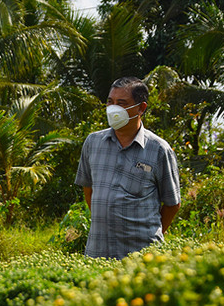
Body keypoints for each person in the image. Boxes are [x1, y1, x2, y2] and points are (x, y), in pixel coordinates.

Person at [75, 76, 181, 259]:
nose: (113, 108)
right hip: (97, 254)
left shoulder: (159, 150)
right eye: (110, 102)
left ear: (141, 108)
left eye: (121, 103)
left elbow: (172, 204)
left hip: (140, 258)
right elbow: (89, 190)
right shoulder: (93, 143)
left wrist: (148, 236)